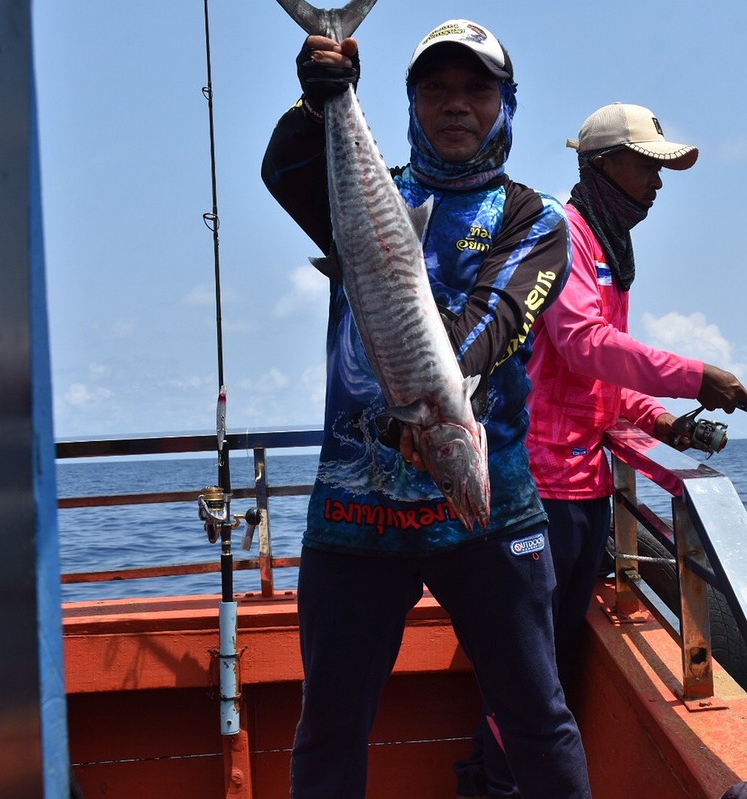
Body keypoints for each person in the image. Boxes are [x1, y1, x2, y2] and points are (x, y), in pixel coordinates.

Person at [261, 18, 592, 799]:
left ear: (507, 104)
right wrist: (322, 100)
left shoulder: (533, 219)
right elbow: (285, 168)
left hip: (489, 516)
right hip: (354, 514)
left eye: (477, 89)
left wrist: (432, 401)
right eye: (435, 89)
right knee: (331, 723)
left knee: (537, 717)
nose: (456, 105)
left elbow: (493, 328)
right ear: (409, 101)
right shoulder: (367, 189)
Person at [457, 102, 747, 799]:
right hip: (535, 494)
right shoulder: (562, 239)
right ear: (601, 167)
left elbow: (595, 378)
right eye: (647, 165)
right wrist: (699, 375)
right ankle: (497, 787)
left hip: (584, 493)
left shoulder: (608, 252)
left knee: (553, 664)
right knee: (528, 674)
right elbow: (584, 344)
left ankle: (500, 782)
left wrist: (663, 421)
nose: (658, 183)